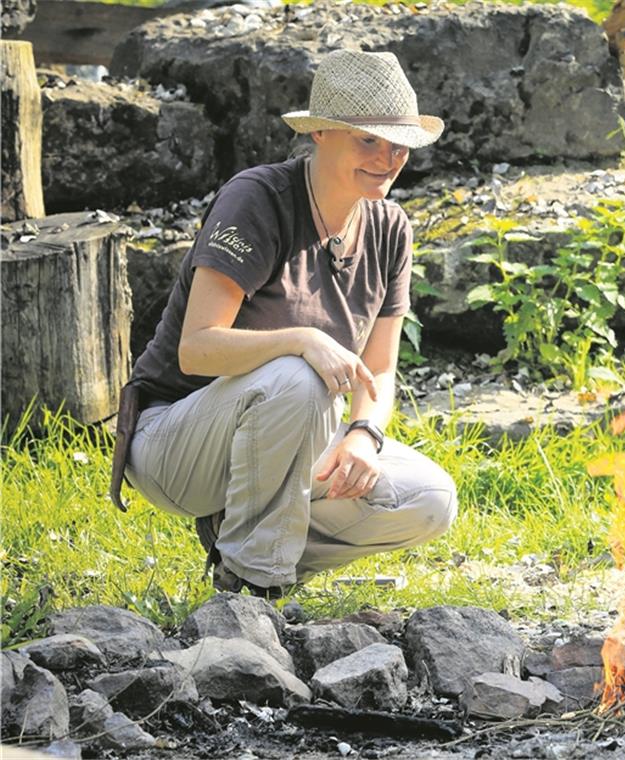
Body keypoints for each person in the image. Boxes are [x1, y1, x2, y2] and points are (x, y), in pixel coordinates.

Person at [110, 50, 458, 597]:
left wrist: (365, 436)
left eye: (399, 145)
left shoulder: (391, 228)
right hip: (173, 442)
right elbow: (196, 350)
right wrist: (301, 339)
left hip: (288, 438)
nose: (388, 158)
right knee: (299, 375)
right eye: (368, 140)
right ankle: (252, 591)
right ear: (319, 132)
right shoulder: (258, 199)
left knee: (429, 499)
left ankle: (244, 543)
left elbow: (381, 366)